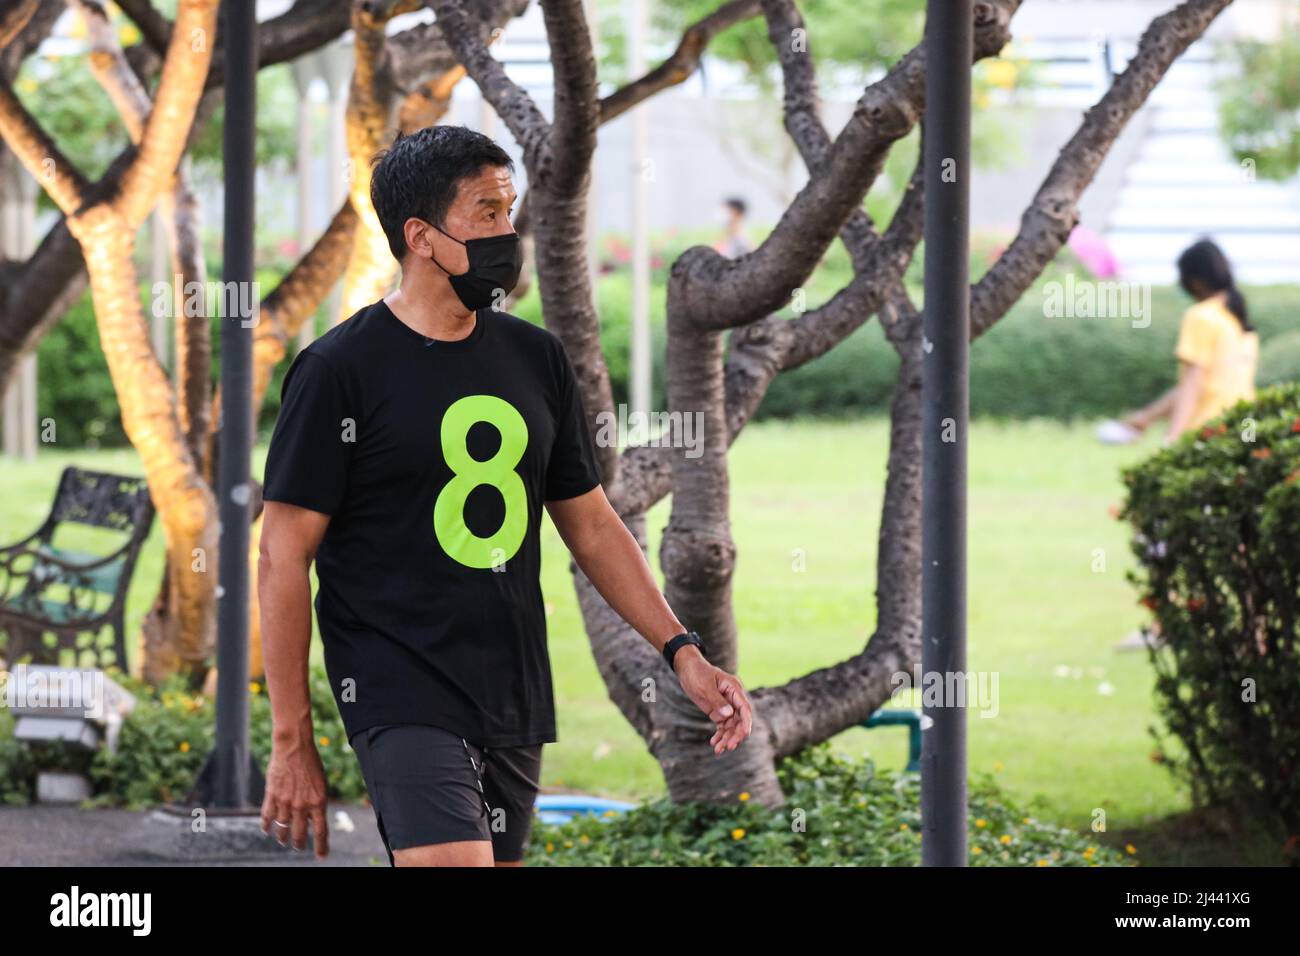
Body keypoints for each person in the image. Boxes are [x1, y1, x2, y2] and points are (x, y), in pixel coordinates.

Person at [257, 125, 753, 867]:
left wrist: (682, 651)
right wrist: (291, 738)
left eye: (508, 210)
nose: (507, 231)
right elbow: (281, 556)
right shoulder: (340, 371)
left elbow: (589, 523)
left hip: (510, 682)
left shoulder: (535, 357)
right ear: (420, 236)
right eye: (485, 213)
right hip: (397, 680)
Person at [1121, 238, 1257, 445]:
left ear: (1193, 280)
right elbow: (1207, 384)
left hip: (1210, 431)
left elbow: (1194, 385)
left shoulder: (1201, 316)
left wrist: (1173, 438)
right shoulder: (1240, 321)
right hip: (1246, 428)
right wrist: (1147, 417)